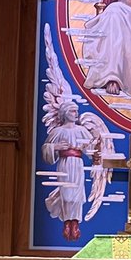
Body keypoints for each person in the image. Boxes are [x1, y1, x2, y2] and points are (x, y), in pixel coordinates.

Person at [41, 102, 92, 241]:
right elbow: (46, 148)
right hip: (65, 165)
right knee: (66, 194)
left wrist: (90, 148)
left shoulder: (82, 131)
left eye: (77, 111)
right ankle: (66, 222)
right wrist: (56, 147)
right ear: (65, 113)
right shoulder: (58, 131)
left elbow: (92, 149)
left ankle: (75, 223)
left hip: (77, 164)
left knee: (77, 195)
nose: (76, 114)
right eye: (73, 111)